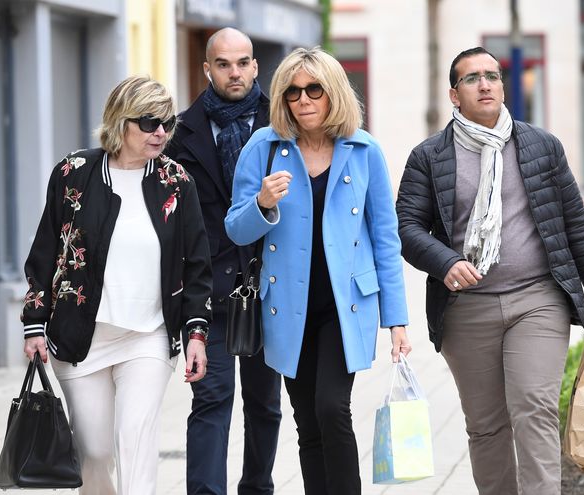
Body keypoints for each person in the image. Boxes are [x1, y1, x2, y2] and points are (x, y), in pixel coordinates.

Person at [396, 47, 584, 495]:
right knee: (486, 426)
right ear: (454, 95)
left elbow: (575, 224)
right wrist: (446, 261)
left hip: (537, 299)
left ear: (502, 86)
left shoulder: (540, 146)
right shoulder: (429, 156)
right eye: (472, 78)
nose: (484, 84)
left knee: (534, 408)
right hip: (465, 309)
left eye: (492, 76)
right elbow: (405, 227)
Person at [225, 47, 411, 495]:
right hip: (287, 307)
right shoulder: (264, 148)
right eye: (292, 92)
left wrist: (397, 319)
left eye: (314, 89)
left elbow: (386, 237)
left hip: (344, 307)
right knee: (307, 423)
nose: (303, 100)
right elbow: (234, 228)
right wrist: (262, 203)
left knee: (332, 409)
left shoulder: (364, 151)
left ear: (333, 94)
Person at [21, 75, 213, 495]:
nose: (160, 132)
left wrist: (195, 332)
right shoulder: (74, 173)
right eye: (148, 122)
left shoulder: (176, 182)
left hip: (149, 336)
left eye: (166, 122)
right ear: (119, 122)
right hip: (80, 337)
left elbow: (198, 264)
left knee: (135, 443)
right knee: (94, 453)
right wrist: (34, 323)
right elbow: (44, 253)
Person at [163, 27, 282, 495]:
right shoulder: (179, 133)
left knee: (265, 403)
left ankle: (257, 487)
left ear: (255, 66)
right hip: (207, 289)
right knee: (211, 399)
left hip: (268, 286)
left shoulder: (285, 123)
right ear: (207, 69)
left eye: (243, 62)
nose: (235, 72)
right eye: (224, 64)